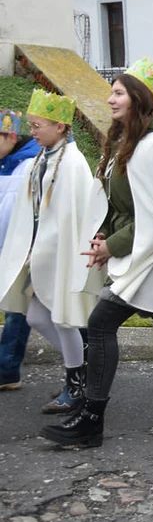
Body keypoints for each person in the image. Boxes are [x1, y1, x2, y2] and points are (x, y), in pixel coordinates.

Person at [41, 58, 153, 448]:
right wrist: (105, 233)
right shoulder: (133, 141)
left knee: (101, 322)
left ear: (138, 98)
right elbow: (123, 204)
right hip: (145, 252)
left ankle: (92, 417)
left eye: (118, 92)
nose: (109, 99)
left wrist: (114, 245)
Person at [0, 90, 99, 415]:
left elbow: (70, 216)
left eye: (38, 124)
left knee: (63, 318)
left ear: (60, 126)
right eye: (31, 124)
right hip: (42, 252)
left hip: (62, 255)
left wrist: (39, 248)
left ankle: (78, 381)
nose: (33, 130)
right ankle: (82, 371)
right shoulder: (44, 157)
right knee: (38, 316)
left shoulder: (71, 163)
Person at [0, 109, 40, 391]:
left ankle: (6, 370)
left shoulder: (29, 165)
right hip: (6, 246)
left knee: (19, 310)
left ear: (11, 136)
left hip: (22, 249)